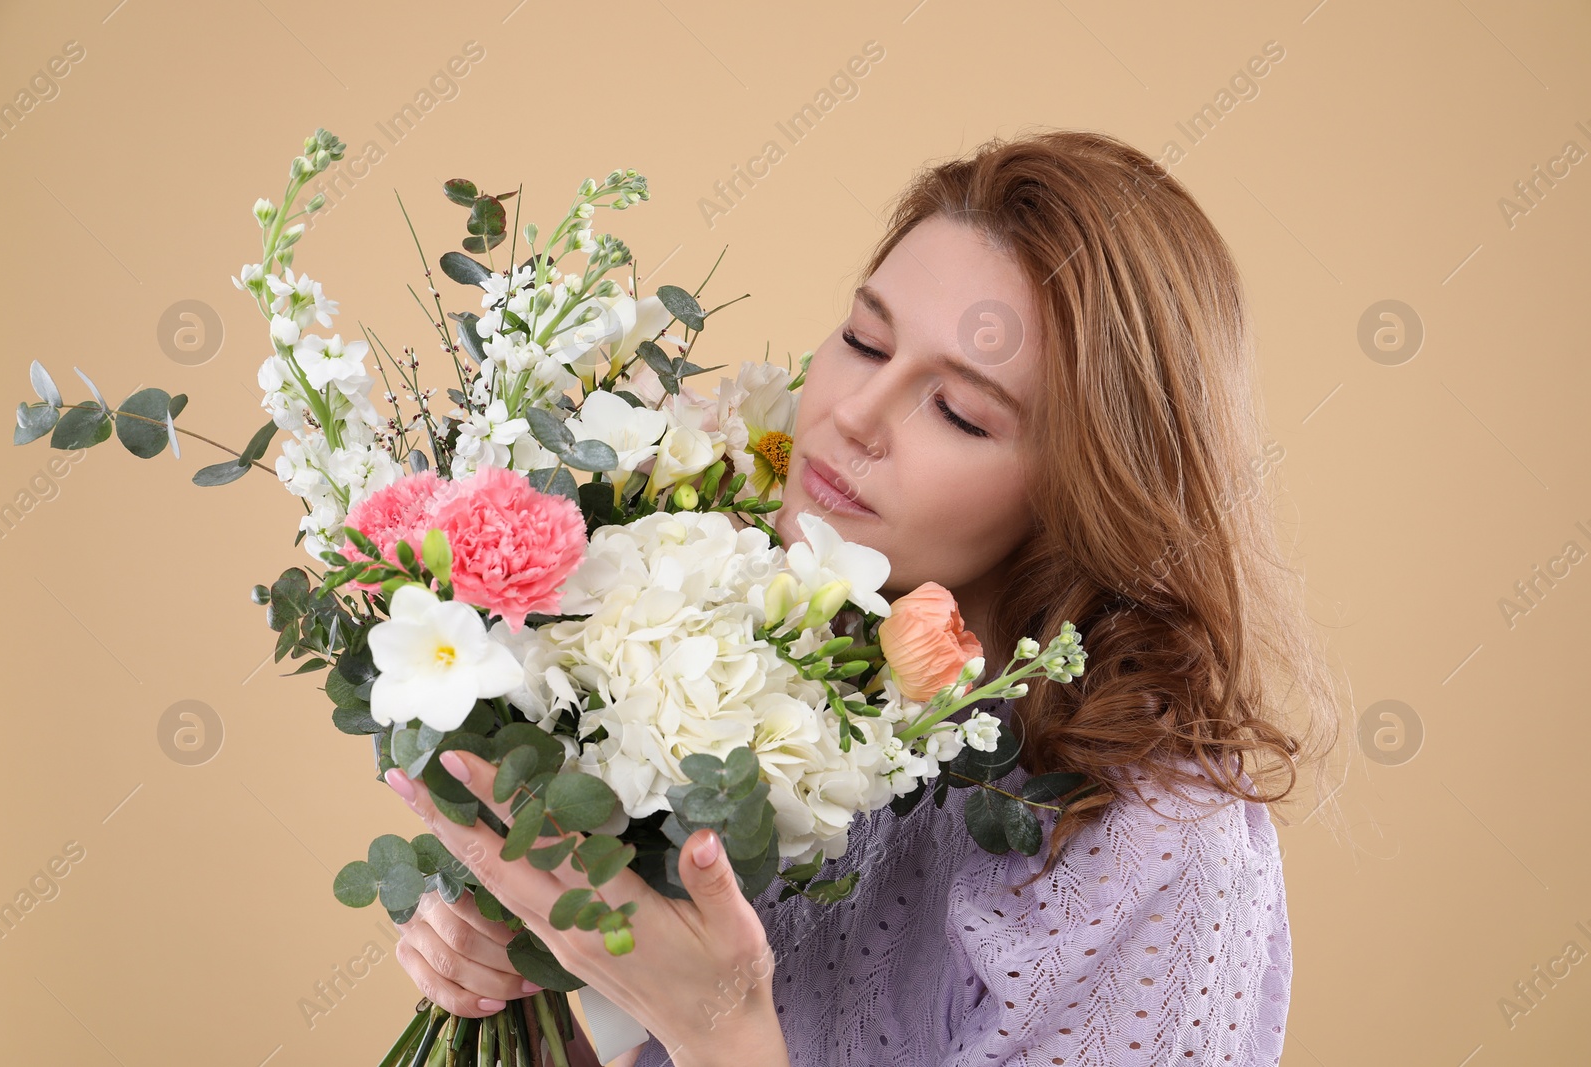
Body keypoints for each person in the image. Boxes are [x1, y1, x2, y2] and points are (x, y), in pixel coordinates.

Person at [384, 127, 1342, 1065]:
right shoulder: (772, 677)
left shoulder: (1161, 849)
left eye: (960, 411)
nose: (855, 415)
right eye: (864, 339)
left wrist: (722, 1032)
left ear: (1087, 487)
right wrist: (547, 974)